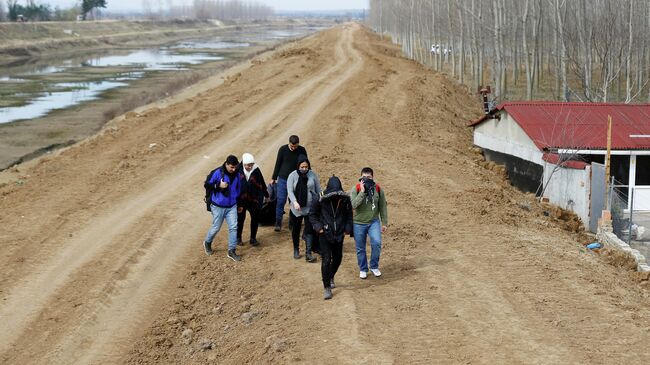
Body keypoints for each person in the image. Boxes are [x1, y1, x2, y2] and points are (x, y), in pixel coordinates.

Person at [309, 176, 353, 300]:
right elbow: (312, 215)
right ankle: (327, 287)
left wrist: (347, 228)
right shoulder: (319, 198)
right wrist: (319, 228)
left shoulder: (344, 199)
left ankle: (330, 275)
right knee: (326, 259)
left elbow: (349, 215)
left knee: (338, 258)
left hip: (339, 233)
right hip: (324, 234)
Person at [350, 167, 388, 279]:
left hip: (373, 222)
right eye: (364, 177)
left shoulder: (378, 189)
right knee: (360, 248)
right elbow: (353, 205)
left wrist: (384, 222)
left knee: (376, 244)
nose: (366, 179)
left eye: (369, 177)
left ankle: (374, 266)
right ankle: (363, 269)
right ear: (360, 178)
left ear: (373, 177)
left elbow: (382, 206)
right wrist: (362, 192)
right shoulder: (355, 189)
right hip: (358, 223)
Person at [203, 155, 242, 261]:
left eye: (235, 167)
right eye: (231, 167)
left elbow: (239, 189)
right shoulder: (216, 172)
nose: (233, 169)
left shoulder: (237, 174)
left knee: (233, 227)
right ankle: (207, 242)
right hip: (218, 206)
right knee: (216, 227)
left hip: (232, 206)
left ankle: (231, 251)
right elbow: (206, 185)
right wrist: (218, 186)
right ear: (226, 164)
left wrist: (239, 203)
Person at [286, 155, 321, 262]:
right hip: (297, 209)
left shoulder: (312, 174)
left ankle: (308, 253)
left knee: (309, 230)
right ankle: (296, 249)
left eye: (306, 167)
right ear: (298, 166)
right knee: (296, 230)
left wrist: (320, 199)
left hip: (310, 207)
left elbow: (318, 189)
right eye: (302, 167)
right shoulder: (292, 176)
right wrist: (295, 202)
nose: (304, 169)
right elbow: (290, 191)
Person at [271, 135, 308, 231]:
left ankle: (292, 222)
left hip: (295, 179)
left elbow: (305, 164)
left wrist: (306, 176)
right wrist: (274, 177)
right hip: (283, 178)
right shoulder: (282, 149)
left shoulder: (302, 150)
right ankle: (278, 223)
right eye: (292, 146)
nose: (294, 148)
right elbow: (278, 163)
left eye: (296, 146)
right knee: (280, 201)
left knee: (293, 201)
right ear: (289, 143)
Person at [236, 153, 269, 247]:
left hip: (254, 199)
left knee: (255, 219)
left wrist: (266, 195)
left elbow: (261, 182)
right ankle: (238, 238)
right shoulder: (238, 170)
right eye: (247, 165)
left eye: (251, 164)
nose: (249, 167)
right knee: (240, 219)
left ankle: (253, 238)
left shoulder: (256, 170)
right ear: (243, 163)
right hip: (241, 200)